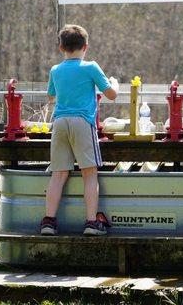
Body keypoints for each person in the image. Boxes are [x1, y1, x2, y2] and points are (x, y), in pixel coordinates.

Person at [39, 24, 119, 236]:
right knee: (90, 173)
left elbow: (51, 96)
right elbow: (111, 94)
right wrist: (115, 83)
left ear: (60, 47)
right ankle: (91, 222)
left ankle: (49, 221)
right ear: (86, 46)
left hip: (60, 122)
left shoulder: (55, 70)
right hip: (83, 122)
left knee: (58, 174)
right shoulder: (91, 67)